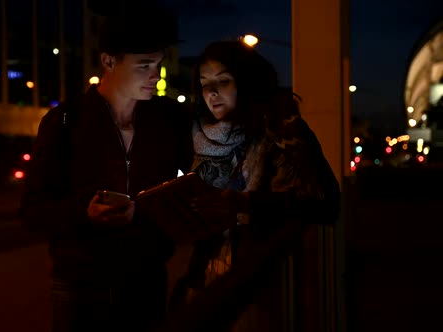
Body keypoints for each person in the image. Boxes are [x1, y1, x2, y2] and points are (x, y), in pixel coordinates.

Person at [19, 7, 193, 332]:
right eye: (144, 66)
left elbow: (197, 182)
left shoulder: (169, 120)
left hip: (148, 279)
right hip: (80, 284)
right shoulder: (66, 121)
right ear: (109, 61)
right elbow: (33, 209)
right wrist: (85, 214)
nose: (155, 75)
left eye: (158, 64)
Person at [169, 40, 341, 331]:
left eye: (223, 81)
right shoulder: (206, 138)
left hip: (262, 282)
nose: (212, 93)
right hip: (208, 277)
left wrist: (244, 203)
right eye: (204, 83)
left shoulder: (281, 129)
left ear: (247, 82)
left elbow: (324, 203)